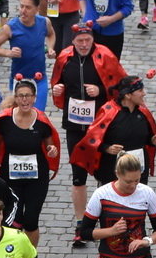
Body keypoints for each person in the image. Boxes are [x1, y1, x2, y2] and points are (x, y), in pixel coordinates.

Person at [52, 22, 127, 235]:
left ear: (93, 39)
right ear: (73, 41)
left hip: (101, 125)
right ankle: (80, 222)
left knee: (104, 174)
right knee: (78, 176)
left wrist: (102, 90)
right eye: (80, 41)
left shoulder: (105, 55)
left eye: (88, 40)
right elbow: (57, 84)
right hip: (74, 124)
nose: (84, 45)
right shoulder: (64, 58)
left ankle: (103, 217)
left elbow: (123, 86)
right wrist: (59, 89)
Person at [77, 151, 156, 258]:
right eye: (128, 182)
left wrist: (146, 241)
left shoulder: (147, 193)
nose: (133, 186)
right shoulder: (101, 194)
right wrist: (111, 231)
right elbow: (84, 232)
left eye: (137, 180)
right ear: (118, 174)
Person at [0, 77, 60, 245]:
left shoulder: (42, 122)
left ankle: (31, 257)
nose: (24, 100)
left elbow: (50, 145)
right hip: (11, 177)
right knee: (14, 218)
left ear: (34, 97)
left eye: (28, 96)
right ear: (16, 98)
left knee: (31, 220)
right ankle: (15, 254)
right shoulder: (4, 120)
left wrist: (52, 150)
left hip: (37, 178)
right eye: (21, 96)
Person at [0, 0, 51, 93]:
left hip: (40, 79)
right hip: (19, 79)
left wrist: (50, 47)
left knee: (39, 110)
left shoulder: (44, 22)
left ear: (37, 9)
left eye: (28, 7)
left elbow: (51, 34)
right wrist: (8, 53)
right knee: (19, 109)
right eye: (21, 6)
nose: (23, 10)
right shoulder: (10, 27)